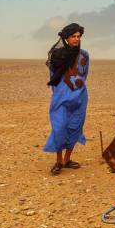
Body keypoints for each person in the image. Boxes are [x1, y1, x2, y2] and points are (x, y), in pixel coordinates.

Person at [43, 23, 89, 175]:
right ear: (66, 38)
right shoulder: (57, 56)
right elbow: (53, 77)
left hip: (80, 97)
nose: (76, 39)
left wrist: (78, 90)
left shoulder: (84, 55)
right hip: (61, 97)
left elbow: (84, 74)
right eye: (73, 36)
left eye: (78, 36)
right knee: (59, 128)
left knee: (74, 127)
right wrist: (60, 93)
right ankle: (58, 161)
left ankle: (67, 160)